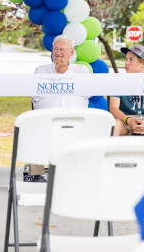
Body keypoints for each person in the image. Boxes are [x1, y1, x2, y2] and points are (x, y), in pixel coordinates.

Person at [28, 35, 91, 182]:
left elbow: (88, 93)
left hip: (75, 120)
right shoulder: (41, 70)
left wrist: (66, 74)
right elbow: (35, 97)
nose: (58, 53)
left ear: (72, 52)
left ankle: (78, 174)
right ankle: (36, 175)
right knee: (33, 127)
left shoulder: (82, 71)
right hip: (46, 119)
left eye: (62, 49)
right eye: (55, 49)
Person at [109, 44, 144, 136]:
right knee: (115, 125)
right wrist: (128, 120)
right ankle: (111, 150)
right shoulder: (118, 80)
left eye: (131, 59)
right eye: (126, 59)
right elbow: (113, 108)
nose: (126, 63)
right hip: (125, 120)